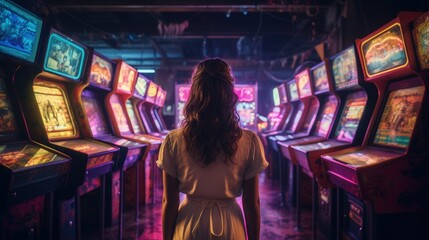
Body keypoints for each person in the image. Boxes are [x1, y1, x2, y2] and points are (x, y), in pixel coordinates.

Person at [157, 58, 268, 240]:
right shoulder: (250, 141)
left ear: (194, 93)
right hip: (231, 224)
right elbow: (252, 204)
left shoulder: (173, 140)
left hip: (189, 223)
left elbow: (168, 202)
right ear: (229, 93)